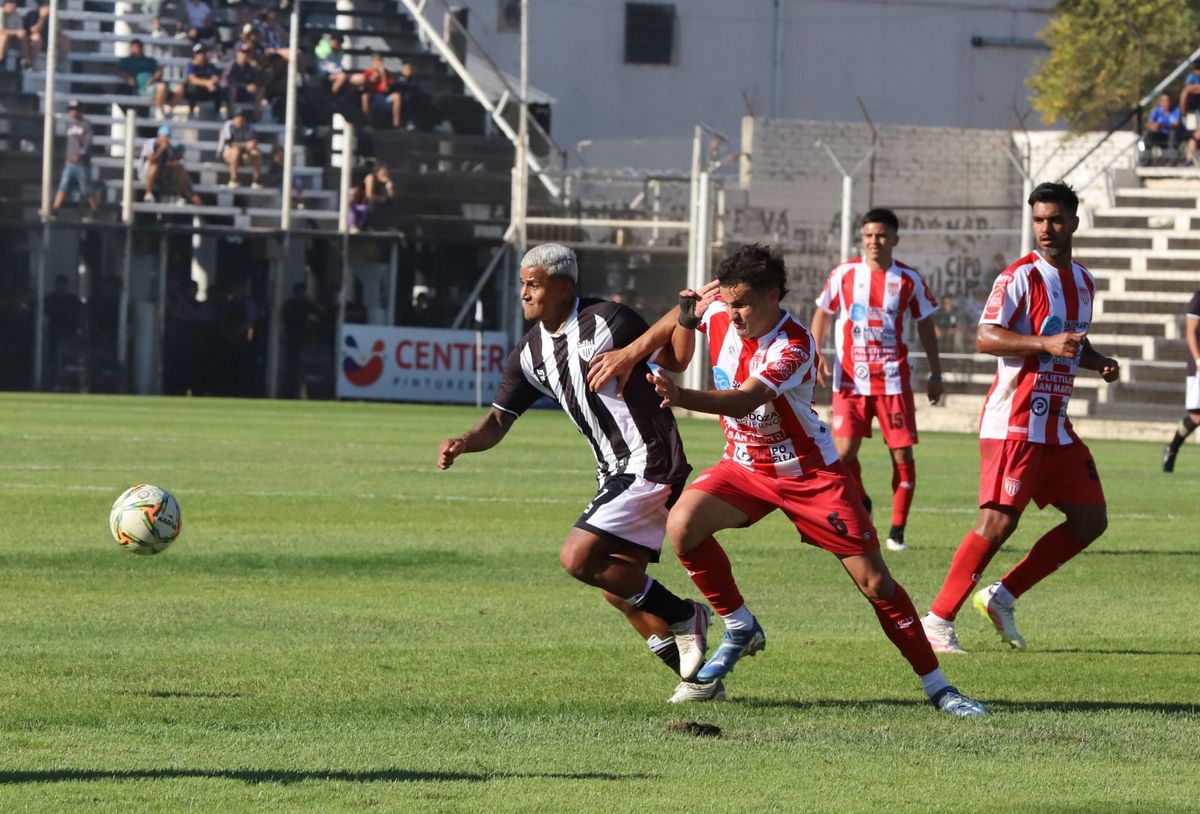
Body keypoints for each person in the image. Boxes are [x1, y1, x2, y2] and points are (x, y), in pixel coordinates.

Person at [589, 243, 985, 717]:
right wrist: (637, 349)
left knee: (877, 584)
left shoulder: (793, 345)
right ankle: (740, 625)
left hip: (810, 474)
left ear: (773, 295)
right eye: (728, 302)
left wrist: (680, 395)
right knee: (683, 525)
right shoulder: (722, 312)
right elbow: (684, 311)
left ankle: (940, 688)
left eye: (743, 304)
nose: (733, 313)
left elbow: (744, 399)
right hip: (744, 467)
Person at [437, 243, 722, 704]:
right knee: (617, 586)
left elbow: (675, 357)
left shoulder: (608, 320)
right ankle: (701, 681)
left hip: (648, 459)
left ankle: (686, 615)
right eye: (522, 284)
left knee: (577, 559)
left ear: (563, 288)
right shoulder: (529, 353)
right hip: (613, 470)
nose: (524, 293)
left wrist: (684, 317)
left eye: (534, 284)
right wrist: (465, 442)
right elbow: (498, 420)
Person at [921, 182, 1120, 655]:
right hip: (1015, 421)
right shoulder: (1018, 277)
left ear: (1074, 223)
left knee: (1090, 520)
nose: (1046, 229)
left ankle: (1001, 597)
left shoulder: (1084, 281)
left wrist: (1098, 362)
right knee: (998, 522)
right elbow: (985, 337)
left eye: (1055, 219)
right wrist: (1044, 343)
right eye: (1039, 220)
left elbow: (1073, 339)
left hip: (1055, 425)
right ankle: (937, 621)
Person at [810, 209, 944, 553]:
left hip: (893, 381)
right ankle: (863, 500)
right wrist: (816, 352)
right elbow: (823, 312)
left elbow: (926, 323)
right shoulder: (843, 274)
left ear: (895, 239)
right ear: (862, 238)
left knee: (901, 455)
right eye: (869, 235)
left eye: (882, 235)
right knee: (842, 453)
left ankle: (897, 531)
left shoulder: (908, 279)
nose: (874, 241)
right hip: (850, 381)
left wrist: (935, 371)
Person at [1162, 290, 1200, 473]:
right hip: (1198, 365)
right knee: (1196, 416)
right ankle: (1172, 448)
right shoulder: (1198, 298)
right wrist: (1198, 360)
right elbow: (1191, 332)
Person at [52, 100, 99, 220]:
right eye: (71, 109)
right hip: (69, 163)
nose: (72, 112)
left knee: (86, 188)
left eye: (74, 109)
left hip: (81, 163)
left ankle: (95, 210)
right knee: (63, 185)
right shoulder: (70, 125)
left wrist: (80, 155)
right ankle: (55, 210)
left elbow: (88, 143)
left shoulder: (86, 125)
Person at [115, 38, 171, 119]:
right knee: (162, 87)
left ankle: (167, 110)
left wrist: (154, 78)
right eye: (136, 47)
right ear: (131, 48)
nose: (138, 49)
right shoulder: (127, 61)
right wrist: (128, 77)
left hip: (152, 84)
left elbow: (159, 70)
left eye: (139, 47)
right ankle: (158, 111)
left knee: (176, 87)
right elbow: (117, 70)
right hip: (141, 88)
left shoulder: (150, 61)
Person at [217, 108, 262, 188]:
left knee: (256, 153)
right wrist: (245, 145)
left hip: (245, 155)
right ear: (234, 118)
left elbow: (252, 143)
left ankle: (256, 180)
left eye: (242, 117)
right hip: (227, 154)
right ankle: (233, 179)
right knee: (235, 151)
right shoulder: (228, 125)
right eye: (237, 117)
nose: (239, 119)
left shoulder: (249, 126)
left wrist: (247, 151)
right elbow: (230, 143)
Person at [360, 53, 402, 129]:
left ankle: (396, 124)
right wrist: (373, 78)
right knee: (365, 96)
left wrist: (383, 76)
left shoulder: (386, 73)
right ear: (372, 63)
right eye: (376, 62)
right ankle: (367, 123)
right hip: (372, 98)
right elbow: (365, 87)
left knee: (397, 96)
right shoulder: (368, 72)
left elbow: (386, 90)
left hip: (384, 97)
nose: (378, 64)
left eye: (379, 61)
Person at [178, 43, 221, 116]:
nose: (201, 55)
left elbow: (216, 77)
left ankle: (216, 113)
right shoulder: (191, 65)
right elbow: (192, 80)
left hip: (206, 92)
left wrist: (211, 83)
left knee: (217, 89)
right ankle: (191, 112)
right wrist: (207, 83)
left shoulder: (209, 66)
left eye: (203, 53)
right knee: (192, 89)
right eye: (199, 53)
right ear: (195, 54)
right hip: (194, 93)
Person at [1141, 93, 1182, 165]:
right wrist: (1153, 127)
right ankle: (1146, 159)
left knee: (1173, 133)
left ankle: (1171, 159)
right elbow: (1149, 124)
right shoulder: (1156, 111)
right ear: (1160, 102)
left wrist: (1162, 125)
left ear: (1171, 101)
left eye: (1167, 100)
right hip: (1159, 135)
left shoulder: (1176, 110)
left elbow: (1177, 124)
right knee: (1147, 134)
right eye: (1163, 100)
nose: (1166, 103)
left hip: (1172, 136)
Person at [1, 0, 26, 69]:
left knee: (24, 36)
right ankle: (1, 60)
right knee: (4, 37)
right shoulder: (0, 13)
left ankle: (24, 61)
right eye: (10, 4)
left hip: (12, 39)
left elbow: (20, 29)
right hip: (2, 38)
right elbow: (1, 31)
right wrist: (15, 32)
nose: (12, 7)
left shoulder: (16, 14)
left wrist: (19, 33)